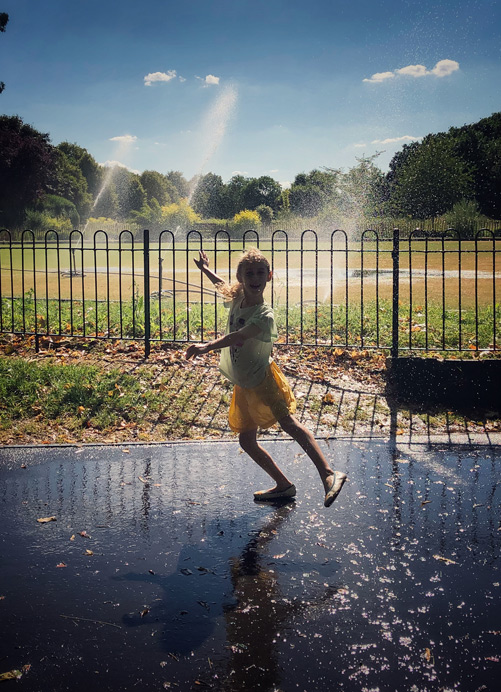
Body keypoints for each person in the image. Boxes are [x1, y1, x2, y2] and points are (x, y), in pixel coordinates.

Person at [185, 248, 347, 506]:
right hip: (244, 383)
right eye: (249, 273)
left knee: (290, 424)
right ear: (240, 277)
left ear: (269, 276)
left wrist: (207, 346)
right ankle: (283, 485)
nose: (255, 277)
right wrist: (205, 269)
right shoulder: (237, 296)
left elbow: (238, 337)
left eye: (261, 272)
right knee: (247, 441)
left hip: (263, 380)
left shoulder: (264, 315)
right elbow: (222, 286)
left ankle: (329, 474)